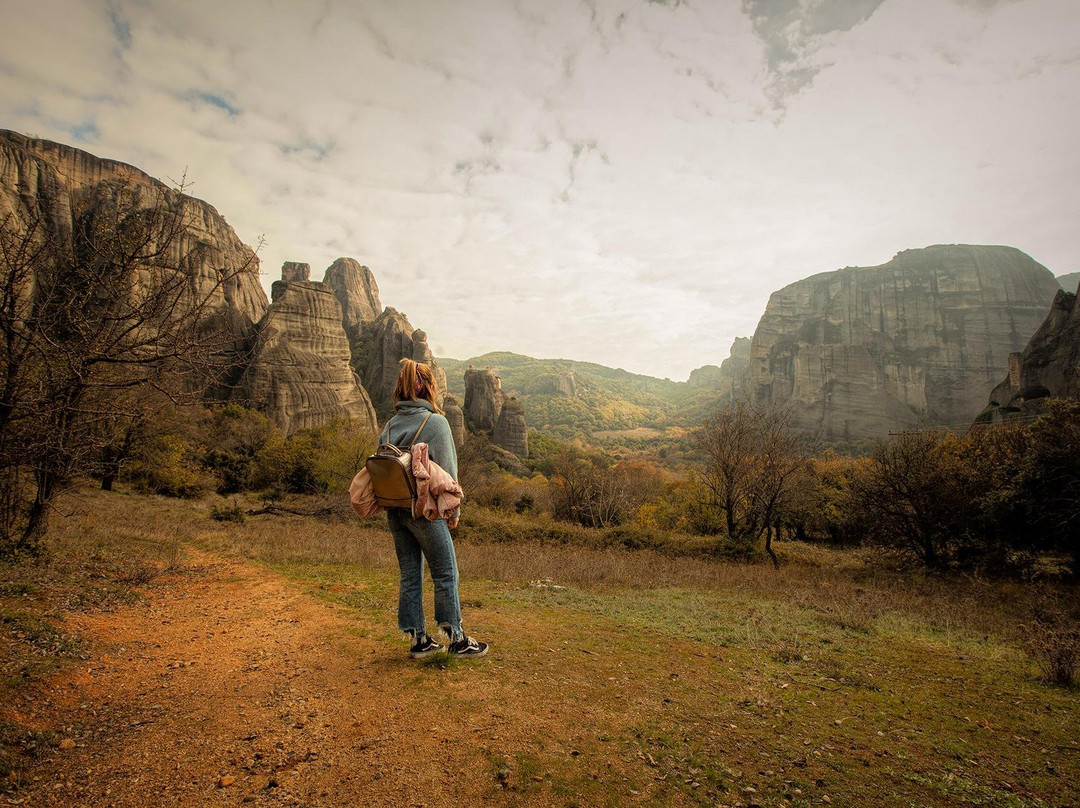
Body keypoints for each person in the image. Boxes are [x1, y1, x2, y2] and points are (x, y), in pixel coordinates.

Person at [380, 358, 488, 659]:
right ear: (425, 387)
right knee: (445, 572)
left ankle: (419, 641)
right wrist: (453, 512)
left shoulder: (389, 425)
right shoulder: (436, 423)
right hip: (424, 511)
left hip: (395, 510)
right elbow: (449, 475)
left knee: (410, 574)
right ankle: (457, 639)